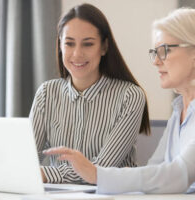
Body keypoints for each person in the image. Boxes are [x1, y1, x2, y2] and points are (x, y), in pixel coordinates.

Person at [43, 7, 195, 194]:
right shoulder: (180, 109)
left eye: (164, 50)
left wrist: (97, 173)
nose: (156, 61)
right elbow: (154, 169)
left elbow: (178, 176)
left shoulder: (129, 96)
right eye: (155, 52)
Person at [29, 3, 150, 184]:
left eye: (88, 44)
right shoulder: (47, 93)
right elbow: (25, 162)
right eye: (69, 43)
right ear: (60, 46)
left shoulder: (130, 96)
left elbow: (100, 171)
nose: (77, 54)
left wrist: (45, 174)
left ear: (104, 47)